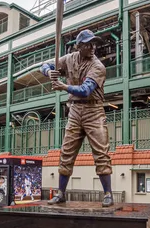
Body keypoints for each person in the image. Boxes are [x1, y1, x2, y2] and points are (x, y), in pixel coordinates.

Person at [40, 29, 113, 207]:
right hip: (74, 111)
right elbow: (43, 65)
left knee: (101, 154)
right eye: (88, 44)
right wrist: (50, 73)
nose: (92, 47)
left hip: (93, 110)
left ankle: (108, 194)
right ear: (78, 46)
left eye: (93, 43)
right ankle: (61, 193)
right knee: (66, 153)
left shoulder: (98, 66)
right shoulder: (69, 58)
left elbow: (85, 91)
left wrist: (62, 86)